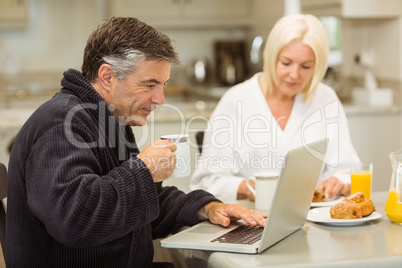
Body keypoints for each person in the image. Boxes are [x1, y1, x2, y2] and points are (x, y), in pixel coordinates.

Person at [5, 17, 267, 267]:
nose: (160, 99)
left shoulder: (110, 118)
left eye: (162, 85)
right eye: (149, 84)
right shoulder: (60, 125)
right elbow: (77, 218)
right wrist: (143, 170)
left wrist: (206, 207)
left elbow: (135, 205)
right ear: (107, 76)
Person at [190, 13, 360, 203]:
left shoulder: (325, 99)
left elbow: (347, 169)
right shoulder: (236, 100)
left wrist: (339, 181)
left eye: (305, 66)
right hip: (250, 220)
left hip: (315, 219)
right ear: (271, 58)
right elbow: (205, 182)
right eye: (286, 63)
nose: (294, 74)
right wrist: (246, 187)